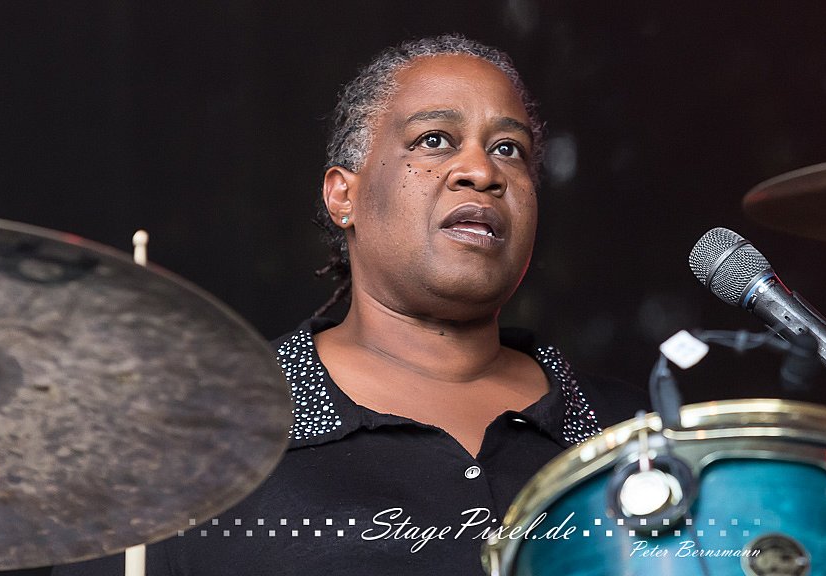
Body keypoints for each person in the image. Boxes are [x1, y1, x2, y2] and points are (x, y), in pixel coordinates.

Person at [52, 34, 645, 576]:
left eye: (509, 149)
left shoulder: (634, 436)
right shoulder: (194, 433)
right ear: (344, 195)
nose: (480, 170)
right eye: (434, 140)